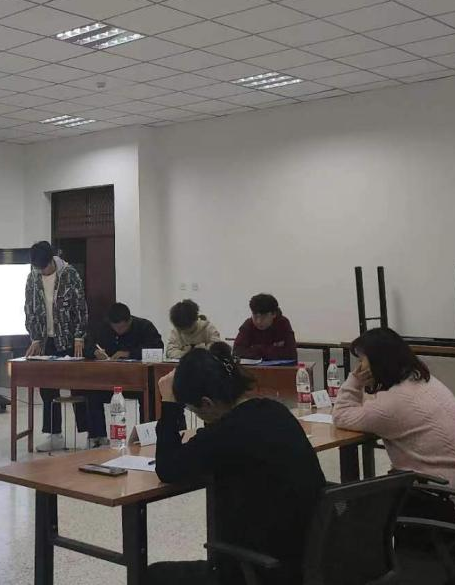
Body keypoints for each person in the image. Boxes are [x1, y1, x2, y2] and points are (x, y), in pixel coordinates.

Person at [149, 343, 324, 585]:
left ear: (207, 404)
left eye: (193, 410)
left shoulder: (225, 434)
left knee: (152, 576)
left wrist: (169, 404)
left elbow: (168, 469)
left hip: (260, 571)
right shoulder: (275, 411)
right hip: (307, 561)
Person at [332, 328, 455, 490]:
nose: (359, 367)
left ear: (377, 362)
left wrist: (355, 380)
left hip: (439, 492)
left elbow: (341, 415)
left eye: (361, 360)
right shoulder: (424, 381)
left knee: (366, 496)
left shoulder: (391, 404)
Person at [24, 241, 88, 452]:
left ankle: (88, 434)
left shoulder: (70, 274)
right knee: (47, 389)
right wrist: (35, 338)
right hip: (45, 340)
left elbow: (81, 306)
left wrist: (79, 336)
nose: (43, 271)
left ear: (52, 259)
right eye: (39, 268)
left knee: (78, 385)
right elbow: (30, 308)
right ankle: (54, 434)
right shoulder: (33, 277)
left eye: (45, 267)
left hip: (69, 339)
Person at [82, 302, 163, 447]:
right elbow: (87, 346)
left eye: (122, 327)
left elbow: (157, 349)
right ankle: (97, 437)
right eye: (115, 327)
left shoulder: (144, 326)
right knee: (92, 392)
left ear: (129, 320)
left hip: (137, 381)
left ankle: (146, 435)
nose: (119, 331)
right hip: (108, 381)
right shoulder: (102, 328)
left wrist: (129, 353)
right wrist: (94, 352)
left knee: (149, 395)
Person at [232, 294, 297, 361]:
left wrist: (256, 349)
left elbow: (291, 354)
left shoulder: (283, 323)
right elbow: (236, 352)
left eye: (263, 317)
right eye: (255, 316)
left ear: (274, 314)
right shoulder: (248, 324)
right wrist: (272, 349)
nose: (258, 321)